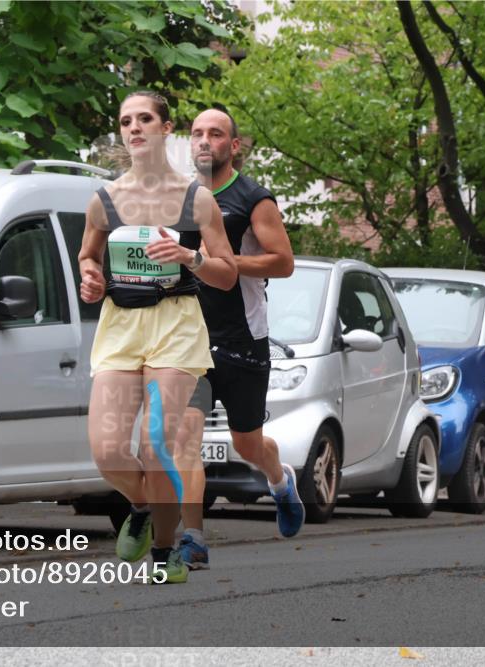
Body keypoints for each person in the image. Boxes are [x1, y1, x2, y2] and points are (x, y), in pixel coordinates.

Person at [78, 92, 237, 584]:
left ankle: (166, 551)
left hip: (176, 324)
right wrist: (90, 278)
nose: (134, 128)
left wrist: (190, 259)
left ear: (166, 128)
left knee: (156, 445)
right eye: (126, 121)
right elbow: (87, 257)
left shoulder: (197, 199)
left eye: (144, 118)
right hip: (120, 326)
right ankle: (142, 507)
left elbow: (228, 274)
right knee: (107, 451)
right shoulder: (104, 200)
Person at [176, 108, 305, 570]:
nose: (204, 141)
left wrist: (222, 261)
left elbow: (283, 262)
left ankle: (279, 480)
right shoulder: (180, 196)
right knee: (184, 435)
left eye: (216, 134)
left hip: (242, 336)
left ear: (234, 146)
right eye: (196, 134)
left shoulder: (252, 199)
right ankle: (191, 537)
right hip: (188, 337)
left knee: (247, 444)